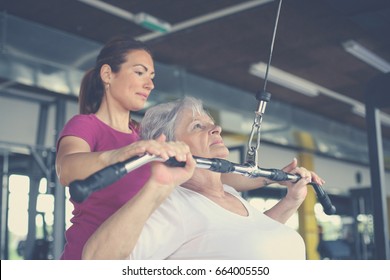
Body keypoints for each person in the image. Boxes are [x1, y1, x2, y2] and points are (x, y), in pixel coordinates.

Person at [56, 35, 323, 260]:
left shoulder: (142, 136)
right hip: (94, 253)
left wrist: (273, 177)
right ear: (107, 74)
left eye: (151, 76)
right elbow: (67, 170)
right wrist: (123, 154)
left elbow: (207, 170)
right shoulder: (87, 125)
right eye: (139, 73)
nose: (150, 84)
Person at [82, 96, 324, 260]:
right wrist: (157, 187)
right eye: (197, 126)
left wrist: (292, 200)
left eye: (212, 124)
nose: (216, 129)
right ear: (168, 144)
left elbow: (251, 237)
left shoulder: (229, 194)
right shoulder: (173, 205)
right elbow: (96, 261)